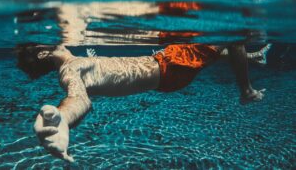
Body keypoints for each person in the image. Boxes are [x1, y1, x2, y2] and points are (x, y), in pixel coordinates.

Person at [16, 42, 266, 161]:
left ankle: (252, 57)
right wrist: (63, 120)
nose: (61, 42)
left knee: (215, 48)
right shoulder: (70, 69)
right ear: (42, 51)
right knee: (234, 38)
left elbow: (79, 96)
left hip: (166, 74)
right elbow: (78, 98)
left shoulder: (74, 65)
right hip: (168, 67)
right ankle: (247, 91)